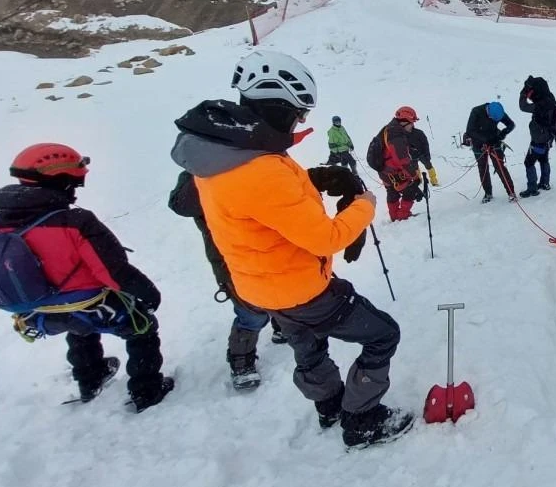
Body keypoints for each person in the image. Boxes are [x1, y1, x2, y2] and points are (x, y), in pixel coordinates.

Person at [170, 49, 413, 448]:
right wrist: (364, 206)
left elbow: (257, 203)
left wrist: (314, 179)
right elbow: (326, 238)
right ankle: (362, 418)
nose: (301, 120)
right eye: (299, 112)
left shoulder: (222, 153)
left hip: (259, 289)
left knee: (308, 346)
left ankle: (330, 405)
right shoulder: (260, 167)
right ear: (279, 105)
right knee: (383, 334)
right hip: (302, 289)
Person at [0, 143, 173, 411]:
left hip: (36, 314)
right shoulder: (75, 222)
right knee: (142, 328)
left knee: (76, 325)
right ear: (62, 180)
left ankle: (90, 379)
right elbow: (113, 272)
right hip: (94, 306)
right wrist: (148, 294)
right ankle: (147, 391)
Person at [168, 170, 288, 390]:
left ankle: (283, 326)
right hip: (233, 261)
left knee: (283, 290)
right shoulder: (203, 173)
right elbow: (181, 204)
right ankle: (241, 360)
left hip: (270, 248)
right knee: (250, 312)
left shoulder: (253, 159)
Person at [367, 106, 438, 222]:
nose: (413, 126)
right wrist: (415, 179)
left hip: (383, 170)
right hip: (393, 171)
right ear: (404, 122)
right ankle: (403, 216)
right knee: (410, 191)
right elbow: (402, 160)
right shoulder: (396, 135)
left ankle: (394, 217)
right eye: (412, 122)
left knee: (392, 192)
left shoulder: (388, 129)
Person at [463, 100, 516, 203]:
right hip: (479, 144)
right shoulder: (476, 111)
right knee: (483, 168)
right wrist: (485, 140)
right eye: (492, 118)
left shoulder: (498, 113)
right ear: (488, 111)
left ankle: (511, 192)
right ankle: (488, 193)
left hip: (494, 141)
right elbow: (470, 131)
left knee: (500, 166)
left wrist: (502, 134)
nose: (493, 120)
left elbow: (511, 125)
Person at [517, 75, 556, 198]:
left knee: (529, 162)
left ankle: (532, 188)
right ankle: (545, 183)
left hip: (539, 138)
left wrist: (523, 93)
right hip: (548, 137)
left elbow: (523, 106)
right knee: (543, 158)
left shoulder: (540, 105)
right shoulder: (550, 98)